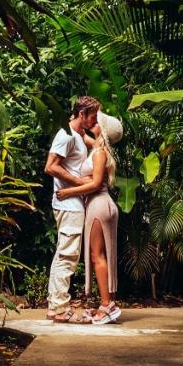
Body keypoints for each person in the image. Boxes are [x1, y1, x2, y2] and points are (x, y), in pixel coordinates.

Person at [56, 111, 123, 324]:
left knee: (97, 256)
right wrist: (78, 116)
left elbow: (94, 184)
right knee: (101, 255)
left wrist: (68, 192)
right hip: (100, 204)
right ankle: (107, 302)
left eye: (97, 122)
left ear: (102, 130)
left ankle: (107, 305)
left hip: (98, 203)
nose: (93, 122)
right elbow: (78, 131)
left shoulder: (100, 152)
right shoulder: (96, 147)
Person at [43, 96, 100, 323]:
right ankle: (58, 308)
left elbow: (98, 144)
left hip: (73, 203)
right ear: (81, 114)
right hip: (68, 204)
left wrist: (99, 129)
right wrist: (80, 184)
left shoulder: (78, 134)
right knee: (67, 256)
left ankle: (55, 305)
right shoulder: (65, 135)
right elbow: (50, 167)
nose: (94, 120)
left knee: (66, 254)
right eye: (92, 116)